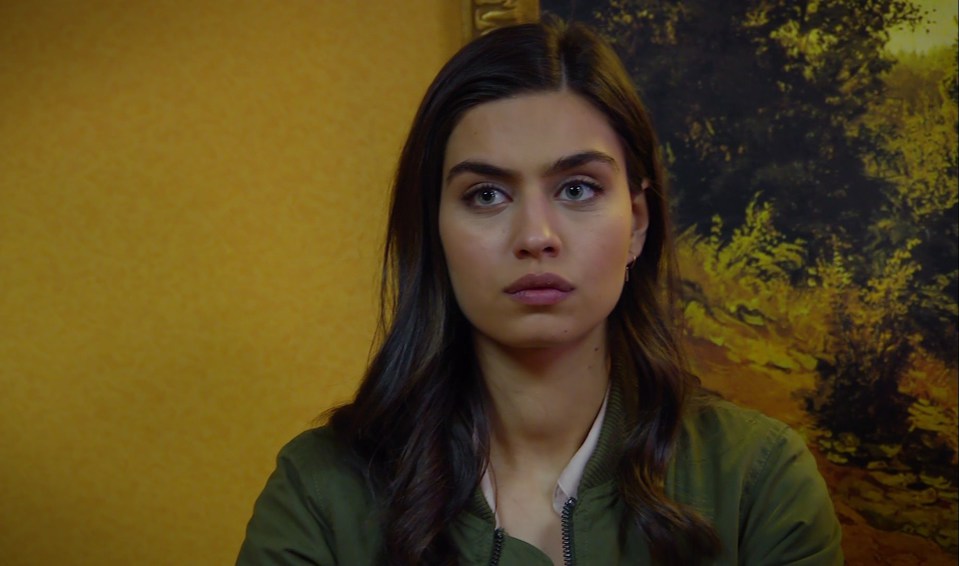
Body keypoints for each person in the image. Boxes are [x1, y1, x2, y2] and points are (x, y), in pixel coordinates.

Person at [237, 18, 842, 566]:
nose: (535, 237)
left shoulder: (759, 480)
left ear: (637, 223)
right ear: (433, 231)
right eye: (486, 195)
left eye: (577, 189)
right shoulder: (321, 492)